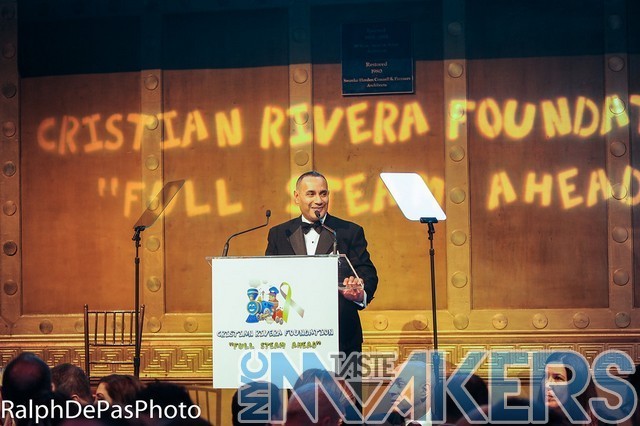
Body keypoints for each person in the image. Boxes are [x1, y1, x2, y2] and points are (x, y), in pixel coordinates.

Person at [265, 170, 378, 357]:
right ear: (297, 197)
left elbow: (368, 274)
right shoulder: (278, 234)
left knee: (345, 380)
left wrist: (359, 293)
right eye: (311, 194)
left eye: (323, 193)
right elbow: (269, 278)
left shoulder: (349, 231)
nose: (319, 200)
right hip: (292, 336)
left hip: (342, 338)